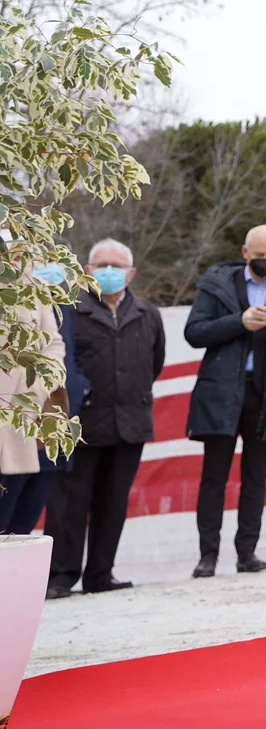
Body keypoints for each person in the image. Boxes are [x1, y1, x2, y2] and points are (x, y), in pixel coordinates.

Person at [183, 225, 266, 579]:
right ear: (245, 252)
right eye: (260, 254)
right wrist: (238, 322)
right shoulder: (216, 284)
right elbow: (194, 332)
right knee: (213, 478)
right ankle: (207, 556)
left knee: (255, 478)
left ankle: (248, 553)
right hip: (221, 393)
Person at [45, 239, 166, 598]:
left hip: (130, 422)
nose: (109, 271)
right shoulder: (69, 311)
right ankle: (60, 576)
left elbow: (154, 363)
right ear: (87, 270)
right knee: (69, 502)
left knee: (113, 502)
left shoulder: (148, 314)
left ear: (131, 273)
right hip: (82, 424)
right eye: (101, 265)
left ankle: (101, 573)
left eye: (116, 265)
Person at [0, 263, 67, 536]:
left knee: (15, 526)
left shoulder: (34, 288)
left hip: (23, 418)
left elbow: (54, 345)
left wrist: (38, 388)